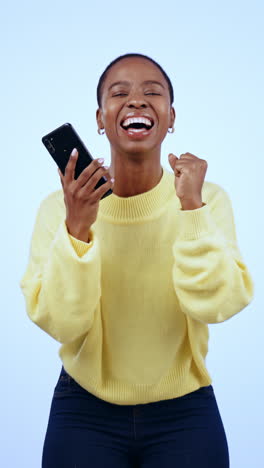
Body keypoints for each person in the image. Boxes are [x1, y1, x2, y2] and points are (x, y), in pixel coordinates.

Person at [20, 53, 254, 468]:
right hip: (83, 410)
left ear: (170, 116)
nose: (137, 101)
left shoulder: (206, 199)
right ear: (99, 118)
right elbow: (61, 322)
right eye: (119, 93)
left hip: (186, 412)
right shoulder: (59, 209)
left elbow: (218, 304)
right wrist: (76, 227)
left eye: (152, 93)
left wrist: (192, 209)